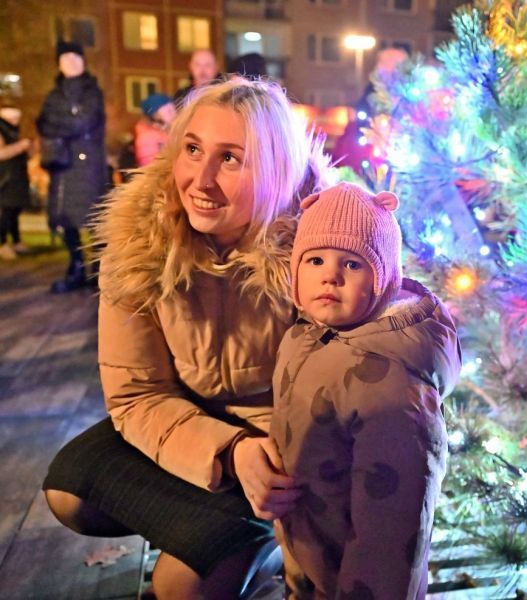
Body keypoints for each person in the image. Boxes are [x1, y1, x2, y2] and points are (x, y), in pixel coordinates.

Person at [42, 78, 334, 598]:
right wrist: (227, 451)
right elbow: (136, 393)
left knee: (179, 588)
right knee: (68, 491)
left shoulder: (321, 245)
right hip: (197, 430)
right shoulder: (141, 245)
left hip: (285, 454)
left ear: (275, 170)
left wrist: (265, 456)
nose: (200, 179)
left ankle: (258, 540)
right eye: (192, 149)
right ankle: (218, 533)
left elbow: (405, 343)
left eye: (230, 159)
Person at [270, 182, 462, 598]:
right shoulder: (306, 336)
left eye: (353, 265)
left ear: (383, 281)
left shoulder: (391, 385)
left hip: (359, 581)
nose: (330, 275)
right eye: (315, 259)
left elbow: (391, 531)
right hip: (311, 558)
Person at [36, 39, 106, 292]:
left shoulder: (91, 91)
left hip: (87, 166)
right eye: (65, 59)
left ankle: (99, 273)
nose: (71, 63)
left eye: (75, 58)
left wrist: (61, 123)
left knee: (94, 220)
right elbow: (43, 123)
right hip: (62, 164)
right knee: (66, 219)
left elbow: (84, 121)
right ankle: (76, 268)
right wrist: (67, 120)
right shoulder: (54, 95)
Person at [0, 103, 31, 260]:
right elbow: (1, 153)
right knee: (7, 211)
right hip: (5, 179)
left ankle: (17, 241)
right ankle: (2, 243)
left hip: (16, 178)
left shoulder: (12, 131)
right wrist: (21, 146)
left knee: (14, 210)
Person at [134, 92, 176, 167]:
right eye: (168, 111)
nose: (174, 114)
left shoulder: (164, 132)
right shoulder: (147, 137)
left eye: (173, 109)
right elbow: (152, 167)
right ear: (155, 114)